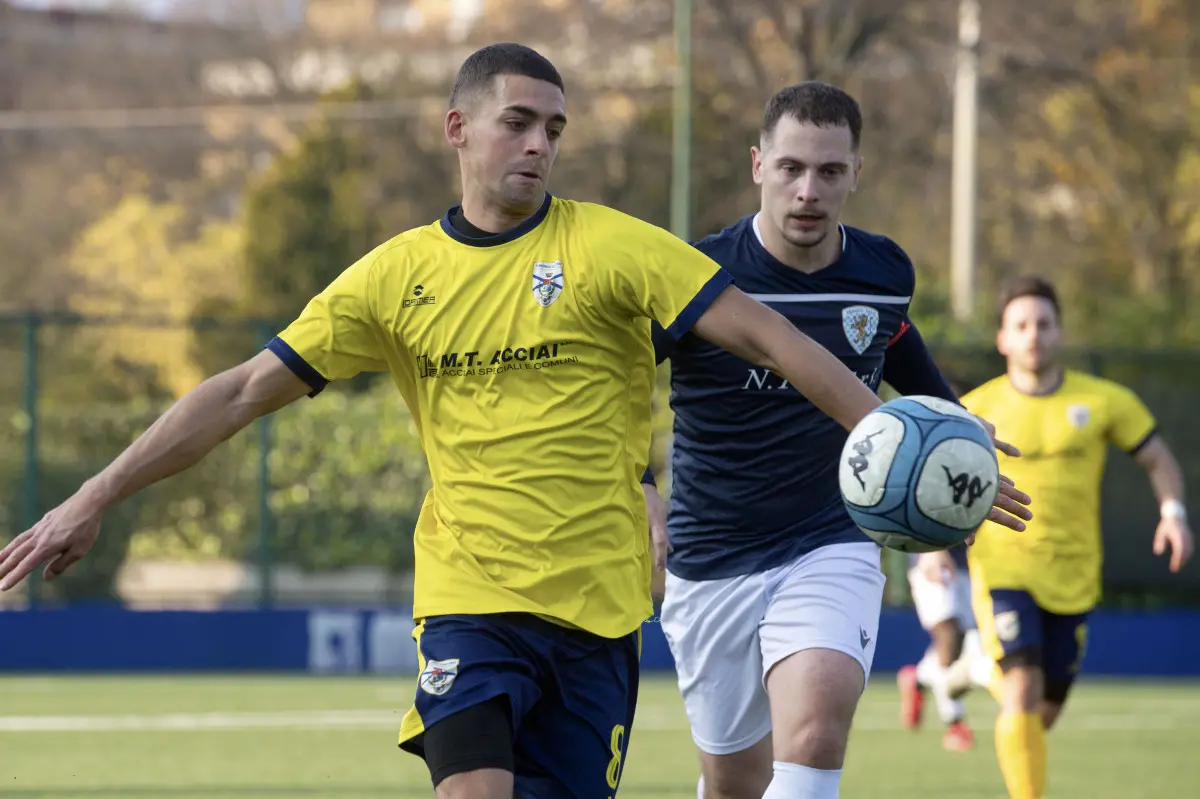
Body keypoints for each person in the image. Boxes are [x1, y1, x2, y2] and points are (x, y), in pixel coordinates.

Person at [0, 45, 892, 799]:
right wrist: (95, 491)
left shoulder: (618, 249)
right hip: (469, 603)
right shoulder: (392, 278)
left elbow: (776, 341)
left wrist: (891, 438)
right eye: (518, 121)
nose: (540, 143)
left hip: (599, 614)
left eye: (554, 128)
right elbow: (238, 393)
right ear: (456, 128)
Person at [642, 82, 1032, 799]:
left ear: (858, 172)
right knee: (734, 782)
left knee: (817, 734)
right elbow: (622, 382)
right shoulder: (698, 275)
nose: (807, 190)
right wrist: (640, 485)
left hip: (833, 537)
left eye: (828, 170)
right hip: (711, 554)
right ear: (758, 164)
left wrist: (956, 444)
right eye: (790, 168)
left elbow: (903, 359)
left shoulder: (884, 273)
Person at [958, 275, 1193, 799]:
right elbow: (937, 483)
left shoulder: (1105, 400)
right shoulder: (974, 410)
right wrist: (933, 551)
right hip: (1003, 570)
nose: (1033, 335)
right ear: (1002, 338)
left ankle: (978, 664)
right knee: (1021, 692)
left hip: (1074, 575)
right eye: (1021, 325)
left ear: (1060, 332)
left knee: (1043, 712)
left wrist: (1172, 512)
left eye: (1044, 323)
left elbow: (1157, 459)